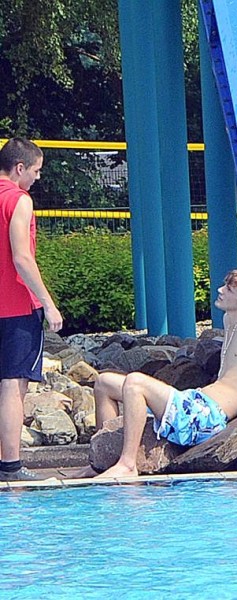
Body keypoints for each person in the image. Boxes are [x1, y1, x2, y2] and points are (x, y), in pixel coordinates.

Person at [78, 269, 237, 479]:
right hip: (195, 402)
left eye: (229, 288)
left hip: (206, 417)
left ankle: (128, 464)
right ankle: (101, 463)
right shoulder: (230, 319)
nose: (220, 289)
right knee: (103, 382)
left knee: (134, 383)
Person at [0, 138, 63, 482]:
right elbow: (21, 258)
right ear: (20, 167)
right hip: (16, 307)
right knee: (12, 384)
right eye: (36, 171)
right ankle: (10, 465)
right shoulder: (18, 200)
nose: (38, 178)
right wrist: (49, 305)